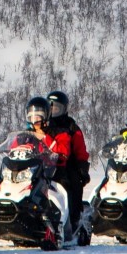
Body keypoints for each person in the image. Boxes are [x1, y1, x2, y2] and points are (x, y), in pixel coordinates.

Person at [44, 90, 91, 232]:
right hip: (44, 163)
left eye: (56, 108)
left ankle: (73, 218)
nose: (53, 111)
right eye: (50, 108)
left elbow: (80, 151)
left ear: (63, 109)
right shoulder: (42, 125)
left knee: (72, 183)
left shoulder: (71, 127)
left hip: (67, 163)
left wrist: (82, 169)